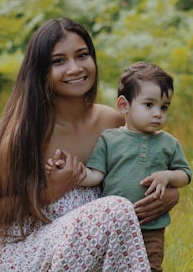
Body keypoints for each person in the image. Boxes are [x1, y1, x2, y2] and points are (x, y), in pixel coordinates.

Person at [0, 18, 176, 272]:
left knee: (116, 211)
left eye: (82, 55)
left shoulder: (111, 122)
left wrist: (169, 195)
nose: (75, 68)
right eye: (59, 61)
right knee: (115, 209)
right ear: (40, 70)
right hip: (22, 253)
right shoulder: (23, 137)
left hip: (84, 250)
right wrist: (51, 191)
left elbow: (138, 173)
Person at [81, 62, 192, 272]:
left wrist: (167, 176)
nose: (158, 113)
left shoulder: (168, 143)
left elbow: (185, 175)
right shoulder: (110, 139)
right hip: (115, 227)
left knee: (150, 266)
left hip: (151, 228)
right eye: (149, 105)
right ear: (124, 105)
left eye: (164, 106)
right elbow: (96, 175)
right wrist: (78, 176)